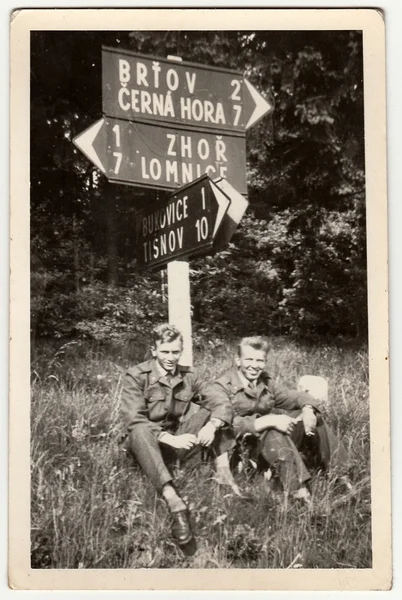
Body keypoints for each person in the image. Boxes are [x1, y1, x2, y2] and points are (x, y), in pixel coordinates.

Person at [121, 323, 236, 546]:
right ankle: (173, 499)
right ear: (154, 350)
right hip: (145, 443)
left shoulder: (189, 376)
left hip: (177, 440)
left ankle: (222, 472)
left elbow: (220, 400)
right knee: (140, 429)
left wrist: (212, 425)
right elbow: (134, 419)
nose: (171, 357)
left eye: (175, 352)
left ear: (181, 351)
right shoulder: (136, 376)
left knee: (214, 413)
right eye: (165, 351)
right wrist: (169, 438)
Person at [205, 336, 350, 503]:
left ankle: (342, 479)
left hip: (270, 445)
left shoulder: (264, 383)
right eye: (249, 359)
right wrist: (268, 421)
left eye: (260, 360)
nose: (254, 365)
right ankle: (298, 493)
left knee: (315, 417)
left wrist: (308, 409)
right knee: (273, 427)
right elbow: (225, 426)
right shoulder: (222, 387)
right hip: (242, 452)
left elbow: (293, 396)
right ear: (238, 360)